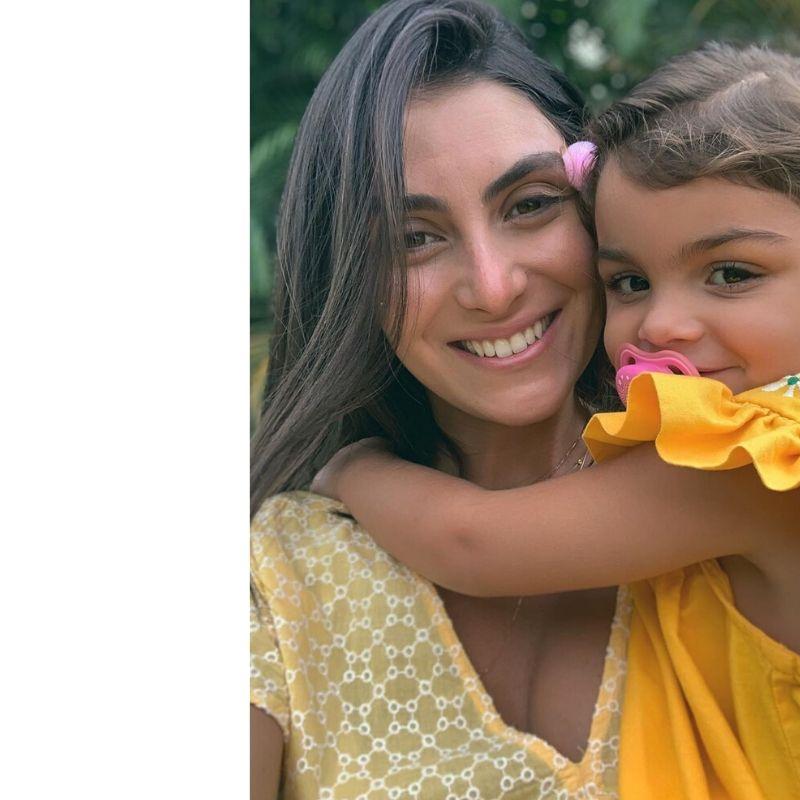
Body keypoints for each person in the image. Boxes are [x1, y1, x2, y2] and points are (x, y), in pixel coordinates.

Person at [316, 42, 800, 799]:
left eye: (731, 274)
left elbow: (473, 543)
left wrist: (351, 468)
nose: (662, 324)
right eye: (630, 281)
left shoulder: (771, 464)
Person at [249, 1, 633, 797]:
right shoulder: (278, 578)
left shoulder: (742, 487)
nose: (493, 288)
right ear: (348, 279)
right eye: (413, 239)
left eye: (530, 203)